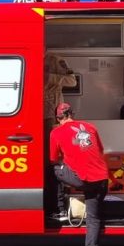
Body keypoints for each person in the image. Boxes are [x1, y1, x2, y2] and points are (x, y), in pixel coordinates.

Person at [49, 103, 109, 246]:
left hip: (82, 179)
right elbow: (100, 150)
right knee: (93, 219)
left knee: (53, 169)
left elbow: (53, 158)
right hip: (102, 179)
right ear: (71, 114)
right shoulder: (90, 127)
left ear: (58, 118)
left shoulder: (56, 132)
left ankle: (60, 210)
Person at [43, 54, 78, 217]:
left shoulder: (42, 75)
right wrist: (66, 67)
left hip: (43, 119)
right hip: (53, 120)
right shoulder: (54, 78)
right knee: (55, 163)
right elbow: (73, 81)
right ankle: (58, 206)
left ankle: (54, 205)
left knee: (48, 161)